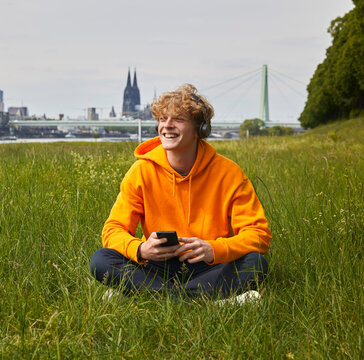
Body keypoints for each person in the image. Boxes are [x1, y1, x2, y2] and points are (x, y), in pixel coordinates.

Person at [89, 84, 272, 300]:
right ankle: (200, 299)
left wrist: (214, 249)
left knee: (256, 263)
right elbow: (113, 230)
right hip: (156, 264)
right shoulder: (141, 171)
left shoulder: (229, 173)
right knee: (101, 260)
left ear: (200, 129)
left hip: (209, 264)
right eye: (162, 119)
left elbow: (259, 235)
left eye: (178, 119)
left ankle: (149, 295)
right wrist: (141, 250)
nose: (167, 126)